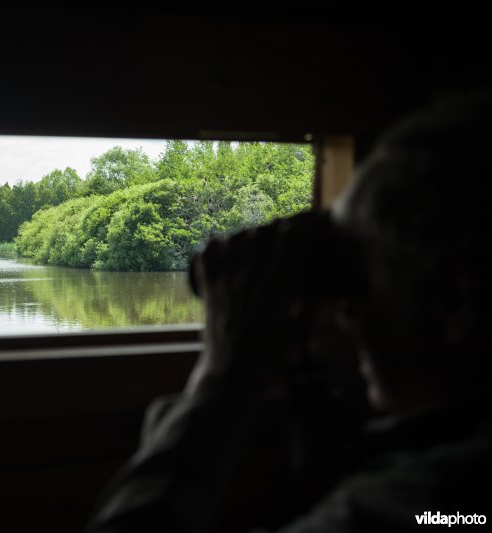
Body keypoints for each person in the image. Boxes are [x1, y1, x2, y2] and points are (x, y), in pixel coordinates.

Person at [85, 95, 492, 532]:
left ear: (455, 299)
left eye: (359, 282)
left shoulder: (423, 501)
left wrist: (221, 380)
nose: (346, 316)